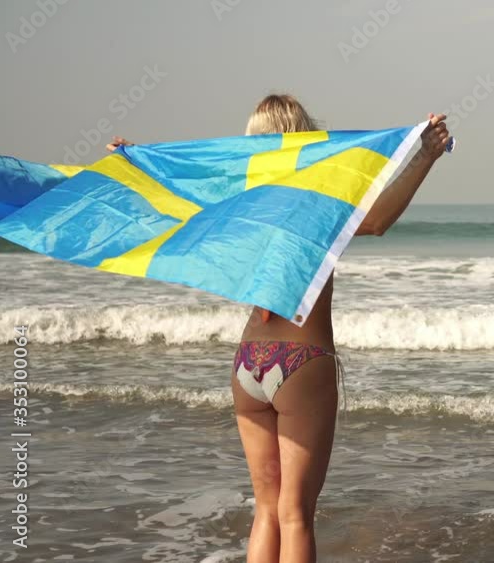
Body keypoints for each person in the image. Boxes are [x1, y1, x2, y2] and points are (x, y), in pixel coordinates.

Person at [106, 94, 451, 562]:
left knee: (266, 510)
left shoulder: (243, 200)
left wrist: (138, 162)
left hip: (249, 363)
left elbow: (181, 201)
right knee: (295, 514)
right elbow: (375, 221)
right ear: (305, 136)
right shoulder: (317, 197)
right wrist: (426, 156)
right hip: (301, 362)